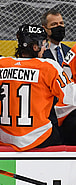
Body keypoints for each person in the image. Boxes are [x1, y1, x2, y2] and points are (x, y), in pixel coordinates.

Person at [0, 24, 76, 151]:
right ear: (35, 46)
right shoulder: (48, 66)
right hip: (40, 139)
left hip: (1, 140)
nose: (46, 47)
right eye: (44, 44)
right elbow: (71, 99)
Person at [40, 8, 76, 145]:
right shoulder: (39, 53)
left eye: (61, 23)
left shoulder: (69, 51)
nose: (59, 27)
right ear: (45, 29)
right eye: (54, 25)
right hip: (48, 115)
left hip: (69, 116)